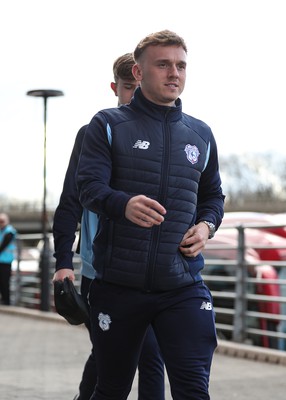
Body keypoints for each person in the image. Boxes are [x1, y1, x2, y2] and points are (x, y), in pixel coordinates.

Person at [77, 29, 225, 400]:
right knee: (110, 389)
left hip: (182, 286)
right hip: (119, 287)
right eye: (163, 64)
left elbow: (213, 197)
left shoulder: (201, 134)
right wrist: (122, 204)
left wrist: (207, 226)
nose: (174, 73)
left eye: (180, 66)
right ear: (139, 73)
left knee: (193, 389)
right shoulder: (107, 124)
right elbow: (88, 188)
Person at [52, 53, 165, 400]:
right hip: (100, 270)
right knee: (132, 355)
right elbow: (70, 201)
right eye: (128, 88)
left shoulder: (167, 133)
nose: (134, 95)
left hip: (151, 269)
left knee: (122, 355)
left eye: (138, 87)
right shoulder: (94, 132)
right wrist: (62, 264)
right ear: (116, 87)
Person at [0, 213, 17, 305]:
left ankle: (6, 301)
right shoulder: (1, 231)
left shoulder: (10, 231)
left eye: (2, 221)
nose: (1, 223)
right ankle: (3, 299)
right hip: (1, 260)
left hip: (6, 261)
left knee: (5, 281)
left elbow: (3, 245)